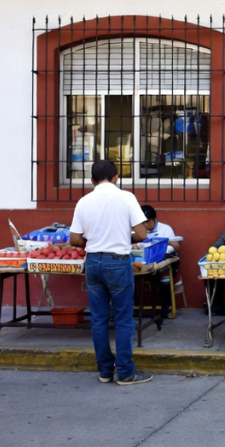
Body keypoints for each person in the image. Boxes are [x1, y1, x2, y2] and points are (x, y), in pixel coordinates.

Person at [69, 160, 152, 386]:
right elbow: (143, 234)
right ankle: (125, 372)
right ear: (116, 177)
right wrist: (123, 237)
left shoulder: (84, 201)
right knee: (124, 320)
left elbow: (75, 240)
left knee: (99, 320)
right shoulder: (126, 197)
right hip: (117, 263)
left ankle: (105, 371)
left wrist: (96, 239)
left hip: (93, 262)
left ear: (92, 180)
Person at [141, 205, 181, 315]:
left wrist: (164, 242)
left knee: (164, 272)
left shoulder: (165, 229)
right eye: (142, 222)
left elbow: (176, 246)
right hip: (144, 263)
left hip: (164, 263)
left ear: (154, 219)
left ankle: (165, 307)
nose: (145, 225)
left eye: (147, 222)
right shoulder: (138, 231)